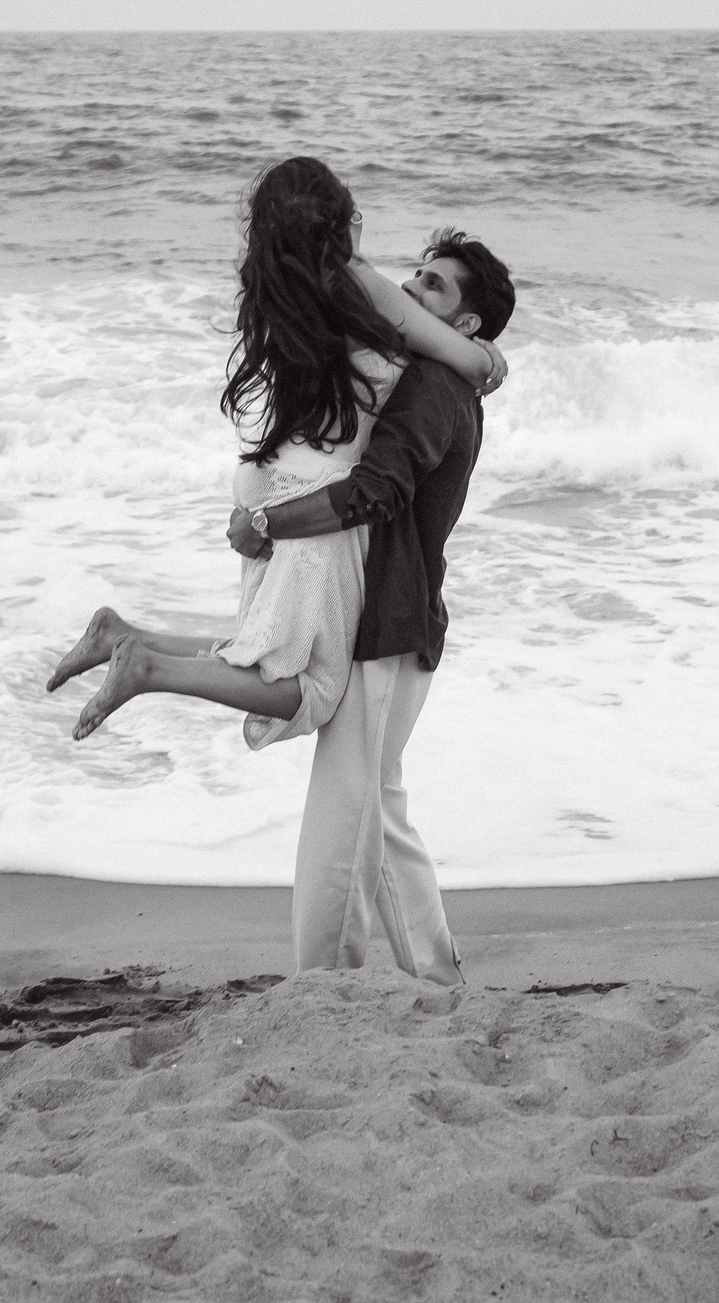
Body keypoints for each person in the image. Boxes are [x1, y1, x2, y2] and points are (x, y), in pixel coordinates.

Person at [45, 157, 501, 758]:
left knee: (259, 649)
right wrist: (491, 360)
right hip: (315, 493)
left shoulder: (284, 290)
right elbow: (463, 360)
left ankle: (122, 636)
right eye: (353, 217)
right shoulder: (361, 286)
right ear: (337, 227)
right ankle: (147, 669)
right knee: (311, 684)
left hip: (266, 479)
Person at [226, 226, 515, 986]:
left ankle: (322, 982)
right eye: (415, 274)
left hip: (389, 625)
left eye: (436, 285)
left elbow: (372, 492)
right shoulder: (436, 379)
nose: (414, 289)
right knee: (377, 812)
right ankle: (438, 974)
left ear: (468, 325)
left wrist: (266, 524)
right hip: (394, 621)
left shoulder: (435, 389)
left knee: (341, 820)